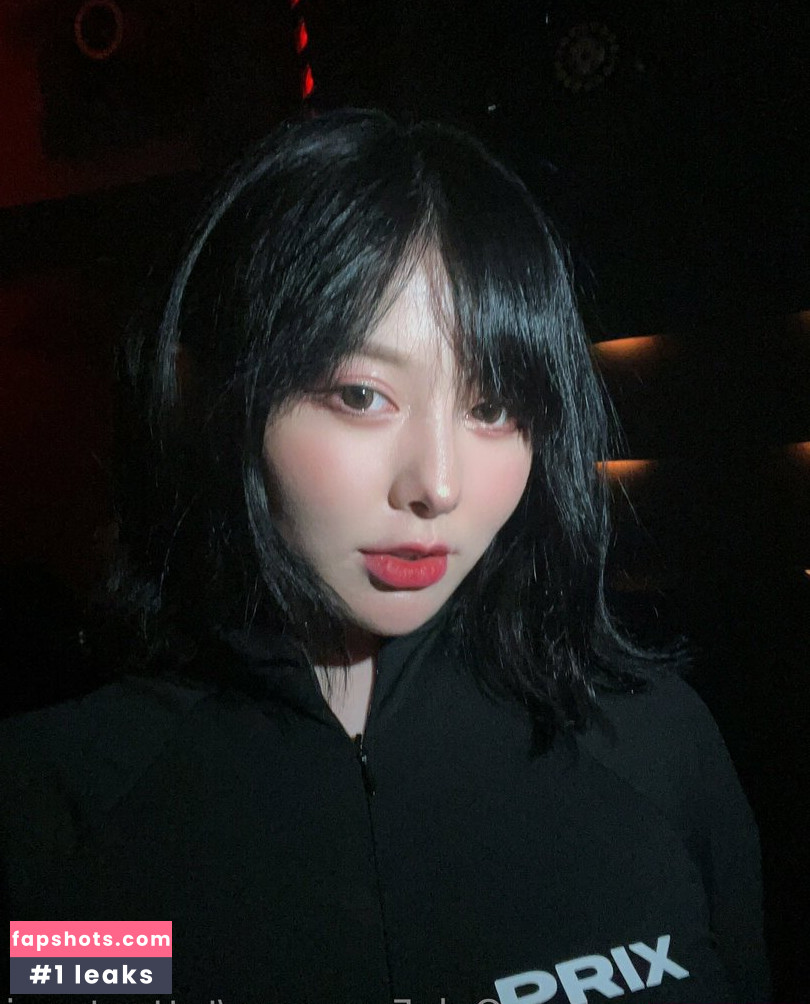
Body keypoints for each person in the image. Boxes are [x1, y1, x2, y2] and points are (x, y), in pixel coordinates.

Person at [1, 109, 768, 1004]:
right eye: (362, 395)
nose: (437, 484)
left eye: (493, 407)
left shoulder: (654, 748)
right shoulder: (59, 805)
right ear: (200, 398)